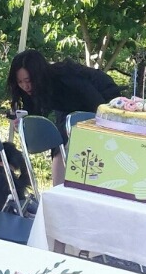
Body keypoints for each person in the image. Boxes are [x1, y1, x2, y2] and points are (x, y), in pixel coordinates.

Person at [7, 49, 122, 185]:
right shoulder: (30, 90)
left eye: (28, 80)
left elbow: (97, 103)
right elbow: (34, 117)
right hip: (68, 107)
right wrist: (24, 125)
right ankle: (59, 187)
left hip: (102, 98)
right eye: (20, 82)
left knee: (73, 138)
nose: (25, 86)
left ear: (38, 76)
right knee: (59, 142)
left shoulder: (67, 77)